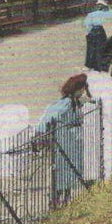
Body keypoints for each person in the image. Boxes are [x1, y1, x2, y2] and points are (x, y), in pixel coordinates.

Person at [35, 73, 93, 206]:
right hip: (65, 141)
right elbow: (50, 116)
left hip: (73, 142)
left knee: (71, 171)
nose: (84, 91)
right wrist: (40, 133)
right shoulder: (66, 102)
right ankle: (55, 201)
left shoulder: (76, 102)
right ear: (78, 89)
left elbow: (91, 100)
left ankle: (66, 199)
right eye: (83, 89)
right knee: (62, 171)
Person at [83, 0, 112, 70]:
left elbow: (87, 25)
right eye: (98, 5)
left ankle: (94, 64)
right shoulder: (101, 13)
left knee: (95, 48)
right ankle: (96, 64)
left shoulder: (93, 14)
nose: (99, 7)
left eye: (100, 6)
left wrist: (88, 33)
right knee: (96, 48)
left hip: (96, 31)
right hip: (98, 31)